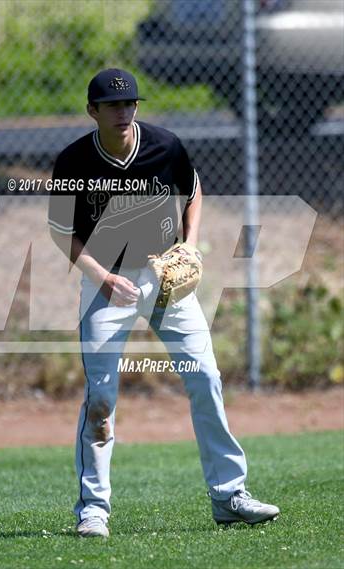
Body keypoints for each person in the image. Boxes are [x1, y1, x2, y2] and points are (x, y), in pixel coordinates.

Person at [48, 68, 279, 538]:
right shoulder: (73, 161)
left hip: (165, 279)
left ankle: (229, 494)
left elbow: (192, 191)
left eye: (130, 103)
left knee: (206, 377)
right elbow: (61, 233)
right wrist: (102, 277)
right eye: (112, 105)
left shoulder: (164, 146)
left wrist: (190, 245)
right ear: (92, 111)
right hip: (105, 284)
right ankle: (93, 509)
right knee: (102, 397)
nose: (123, 111)